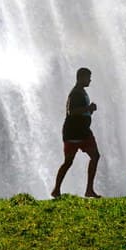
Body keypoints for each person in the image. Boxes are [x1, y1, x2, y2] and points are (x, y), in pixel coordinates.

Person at [52, 67, 101, 198]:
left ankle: (89, 190)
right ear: (80, 78)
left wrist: (90, 110)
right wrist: (88, 108)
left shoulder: (82, 92)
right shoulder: (75, 93)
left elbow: (81, 112)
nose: (90, 80)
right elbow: (72, 112)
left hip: (84, 132)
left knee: (95, 156)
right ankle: (56, 190)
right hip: (73, 133)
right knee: (68, 162)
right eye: (88, 77)